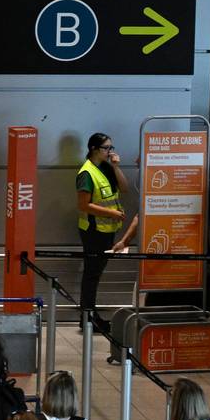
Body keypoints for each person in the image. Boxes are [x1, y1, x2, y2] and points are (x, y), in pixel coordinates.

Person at [76, 132, 140, 331]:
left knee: (95, 273)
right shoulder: (86, 173)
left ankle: (89, 316)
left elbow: (124, 188)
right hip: (94, 231)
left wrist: (115, 166)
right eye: (106, 148)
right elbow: (84, 205)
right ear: (94, 149)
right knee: (92, 274)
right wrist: (111, 213)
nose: (110, 151)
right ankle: (88, 317)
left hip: (107, 229)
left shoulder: (104, 167)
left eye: (111, 148)